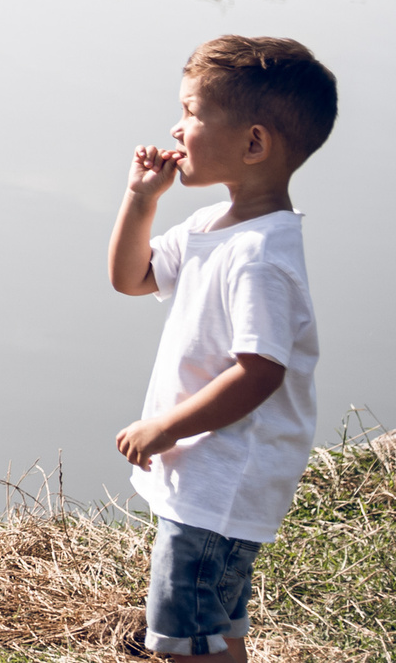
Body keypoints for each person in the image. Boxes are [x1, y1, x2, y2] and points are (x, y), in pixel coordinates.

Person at [108, 35, 336, 660]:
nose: (176, 129)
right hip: (208, 476)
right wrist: (140, 200)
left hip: (225, 478)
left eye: (191, 114)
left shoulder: (261, 257)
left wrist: (165, 428)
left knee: (188, 638)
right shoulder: (213, 226)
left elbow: (258, 373)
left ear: (254, 144)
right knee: (212, 628)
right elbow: (132, 277)